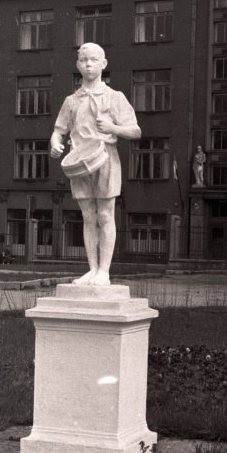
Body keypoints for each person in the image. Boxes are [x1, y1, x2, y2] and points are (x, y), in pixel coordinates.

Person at [50, 42, 141, 286]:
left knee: (105, 213)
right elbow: (58, 131)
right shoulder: (72, 100)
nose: (89, 64)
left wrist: (113, 128)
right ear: (78, 65)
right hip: (80, 162)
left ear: (104, 64)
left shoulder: (114, 97)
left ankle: (104, 271)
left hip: (106, 158)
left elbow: (135, 130)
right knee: (88, 216)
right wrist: (55, 144)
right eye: (84, 60)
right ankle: (91, 269)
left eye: (94, 59)